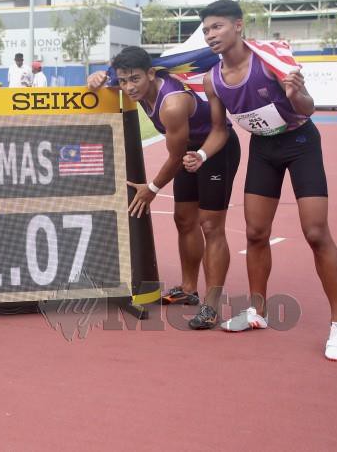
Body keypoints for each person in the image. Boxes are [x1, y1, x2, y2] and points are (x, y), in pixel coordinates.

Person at [184, 0, 337, 360]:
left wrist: (296, 94)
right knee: (256, 233)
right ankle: (257, 311)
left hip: (300, 142)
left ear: (238, 26)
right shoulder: (212, 79)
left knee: (316, 232)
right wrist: (202, 154)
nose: (211, 35)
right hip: (263, 149)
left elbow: (306, 108)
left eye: (217, 27)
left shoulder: (269, 61)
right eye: (207, 30)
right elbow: (217, 130)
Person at [88, 46, 240, 329]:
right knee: (184, 219)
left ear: (150, 73)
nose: (128, 87)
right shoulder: (129, 82)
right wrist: (96, 77)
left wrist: (152, 188)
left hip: (216, 150)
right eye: (122, 81)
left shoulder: (172, 104)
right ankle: (188, 288)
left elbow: (173, 156)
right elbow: (103, 79)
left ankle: (211, 305)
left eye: (134, 79)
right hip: (187, 153)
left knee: (210, 226)